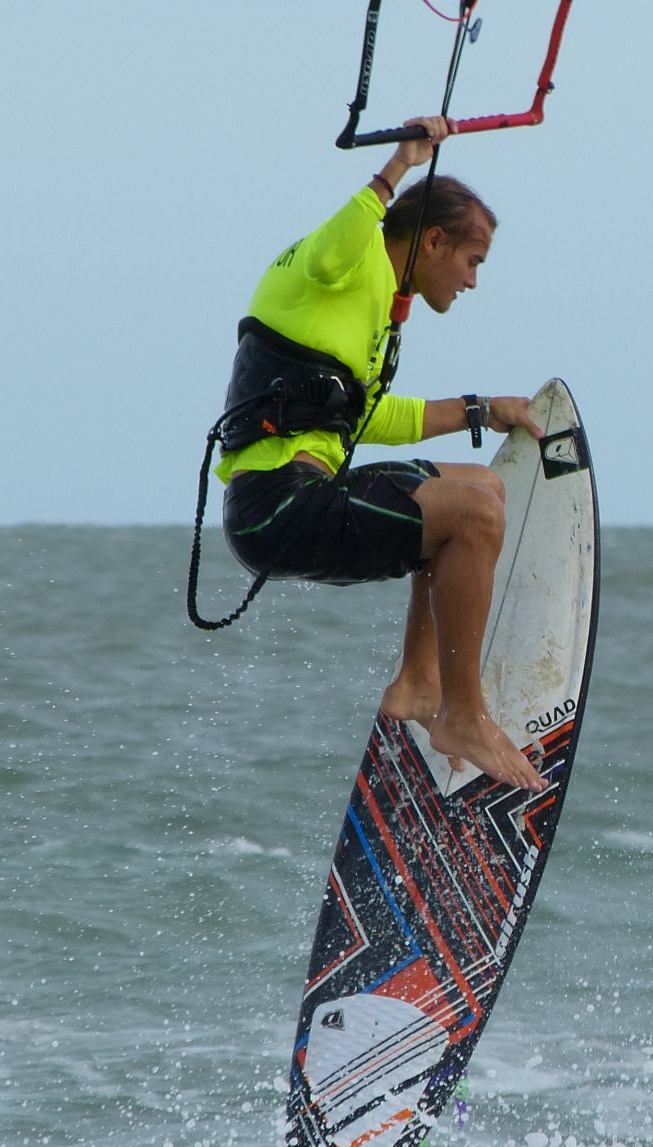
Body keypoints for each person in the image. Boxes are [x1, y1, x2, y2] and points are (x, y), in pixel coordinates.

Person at [214, 117, 546, 791]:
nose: (472, 281)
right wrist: (398, 166)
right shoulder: (345, 260)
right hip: (275, 505)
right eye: (472, 261)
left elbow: (373, 417)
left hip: (304, 496)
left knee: (482, 489)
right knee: (473, 515)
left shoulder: (365, 306)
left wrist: (483, 410)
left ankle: (421, 684)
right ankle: (463, 715)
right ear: (434, 241)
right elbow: (327, 255)